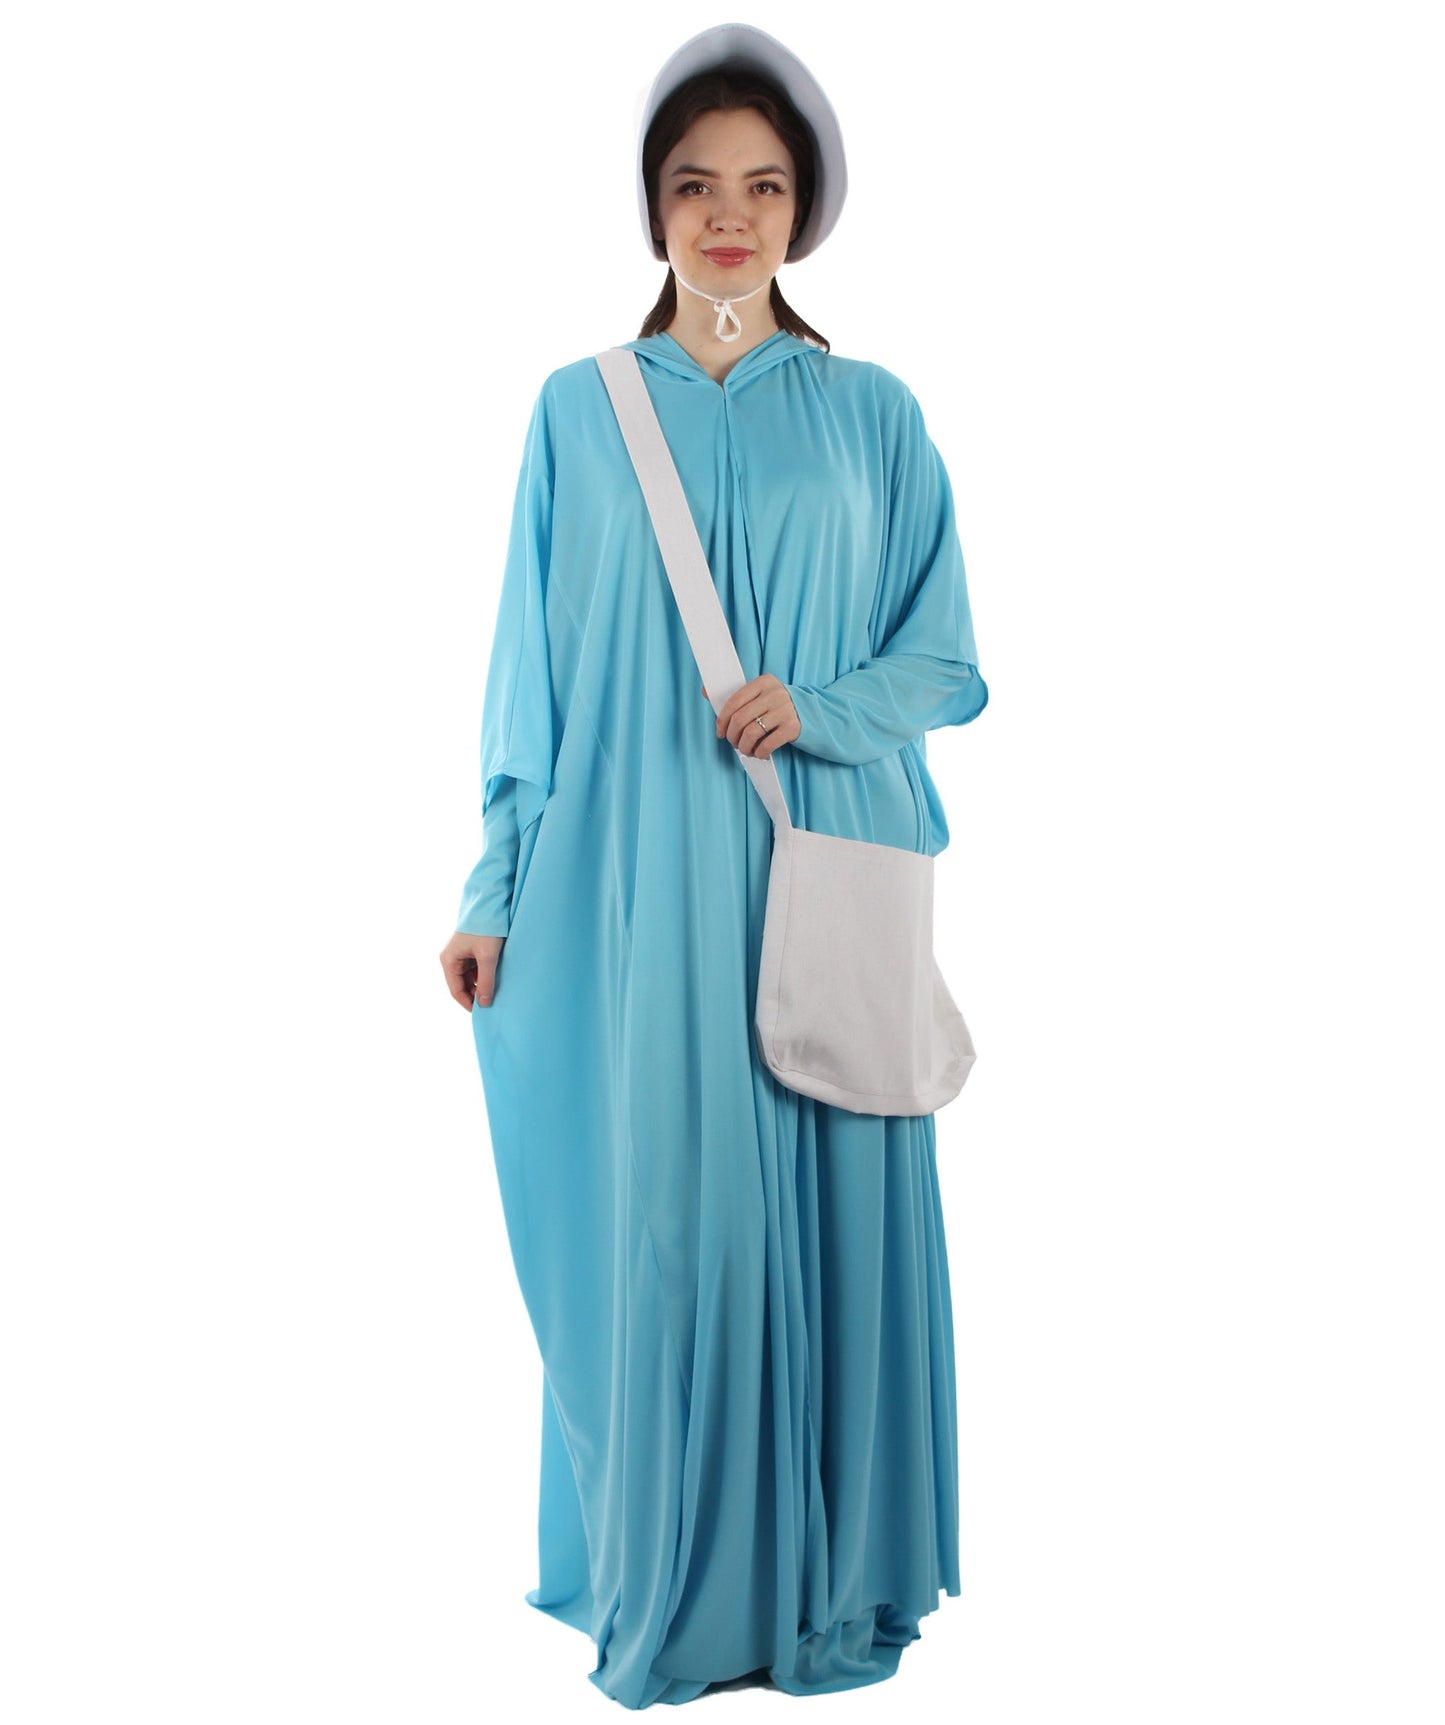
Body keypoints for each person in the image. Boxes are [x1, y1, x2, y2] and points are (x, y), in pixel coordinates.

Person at [438, 22, 989, 1711]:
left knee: (825, 1202)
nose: (727, 216)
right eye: (693, 186)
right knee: (667, 1224)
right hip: (638, 888)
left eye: (761, 186)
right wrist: (493, 884)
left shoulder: (874, 412)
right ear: (653, 208)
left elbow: (945, 661)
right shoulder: (577, 411)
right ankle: (680, 1576)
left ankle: (828, 1575)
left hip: (827, 857)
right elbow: (529, 673)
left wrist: (816, 706)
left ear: (804, 209)